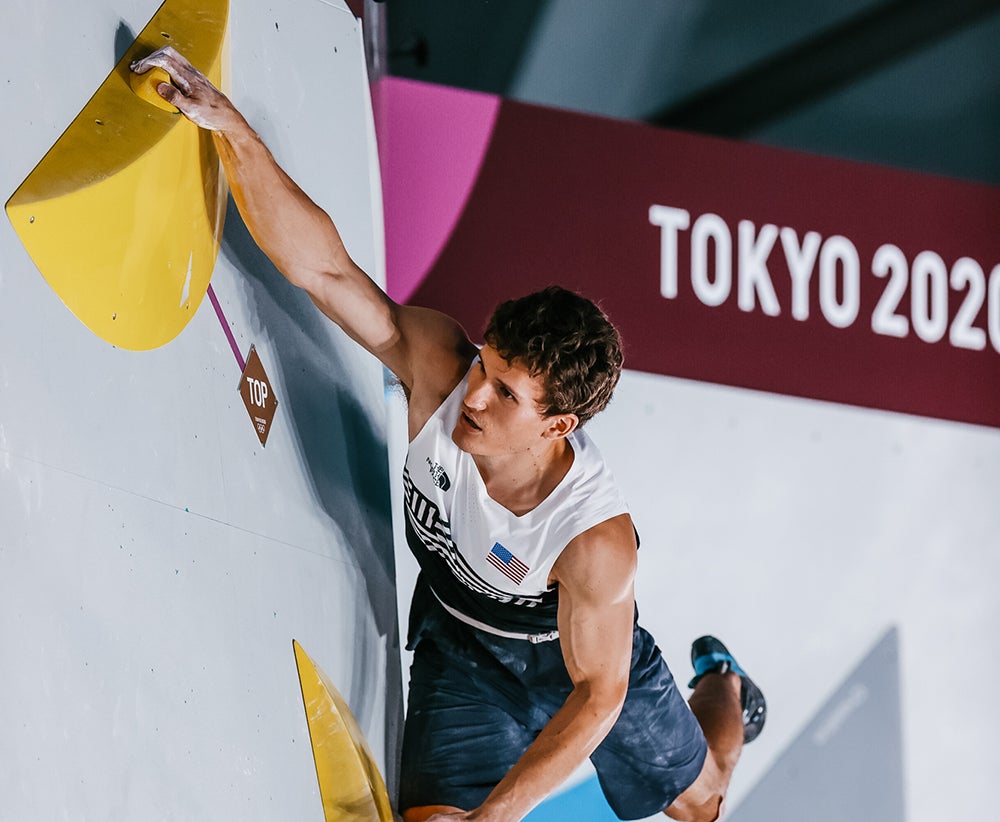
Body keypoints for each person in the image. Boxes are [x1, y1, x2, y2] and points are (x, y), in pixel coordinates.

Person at [130, 47, 765, 822]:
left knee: (703, 807)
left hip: (578, 669)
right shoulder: (438, 368)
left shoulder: (596, 541)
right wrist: (232, 128)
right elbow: (326, 272)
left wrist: (499, 815)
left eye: (506, 393)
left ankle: (726, 685)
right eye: (484, 367)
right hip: (463, 648)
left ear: (558, 424)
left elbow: (599, 697)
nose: (475, 396)